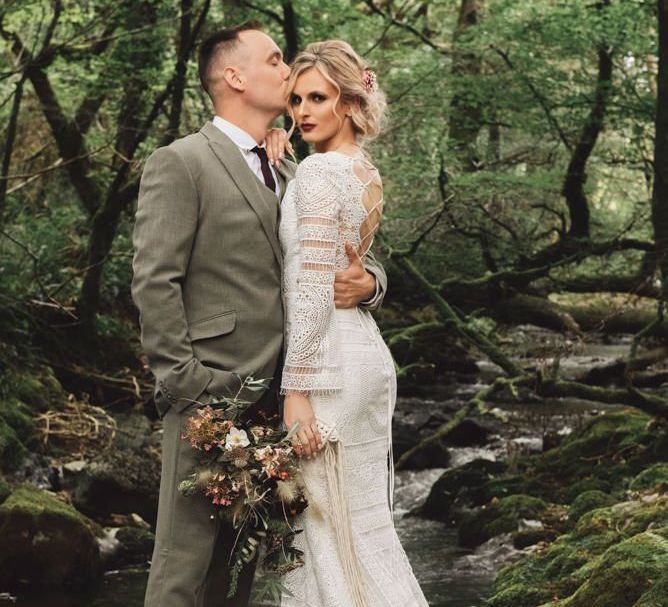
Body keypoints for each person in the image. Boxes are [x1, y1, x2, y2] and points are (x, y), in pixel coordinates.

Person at [130, 22, 387, 607]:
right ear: (234, 76)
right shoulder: (182, 162)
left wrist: (370, 284)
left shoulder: (294, 167)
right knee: (182, 568)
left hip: (285, 401)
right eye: (274, 60)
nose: (286, 69)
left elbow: (341, 254)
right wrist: (187, 385)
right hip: (210, 395)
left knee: (241, 573)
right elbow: (154, 281)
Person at [278, 40, 429, 606]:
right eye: (295, 99)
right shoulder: (363, 170)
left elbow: (315, 288)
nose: (302, 111)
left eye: (318, 97)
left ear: (347, 100)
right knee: (363, 527)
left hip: (329, 366)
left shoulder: (318, 172)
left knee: (325, 530)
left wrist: (296, 393)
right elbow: (345, 262)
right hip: (365, 357)